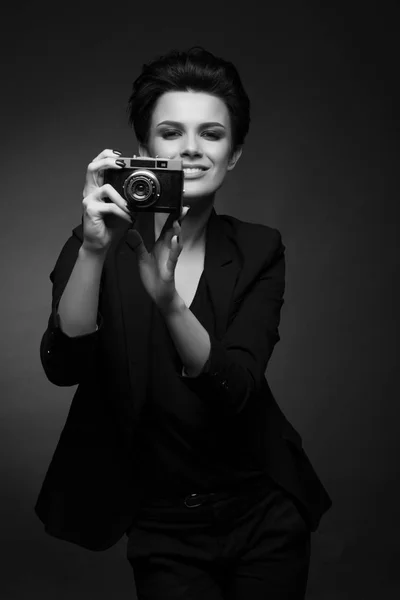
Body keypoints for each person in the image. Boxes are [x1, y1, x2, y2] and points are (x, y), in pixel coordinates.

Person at [35, 47, 332, 599]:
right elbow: (63, 366)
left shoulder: (258, 249)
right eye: (170, 133)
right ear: (144, 151)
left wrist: (169, 301)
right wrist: (96, 252)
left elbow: (235, 389)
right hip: (162, 521)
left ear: (235, 155)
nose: (191, 150)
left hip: (262, 508)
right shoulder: (93, 244)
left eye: (212, 135)